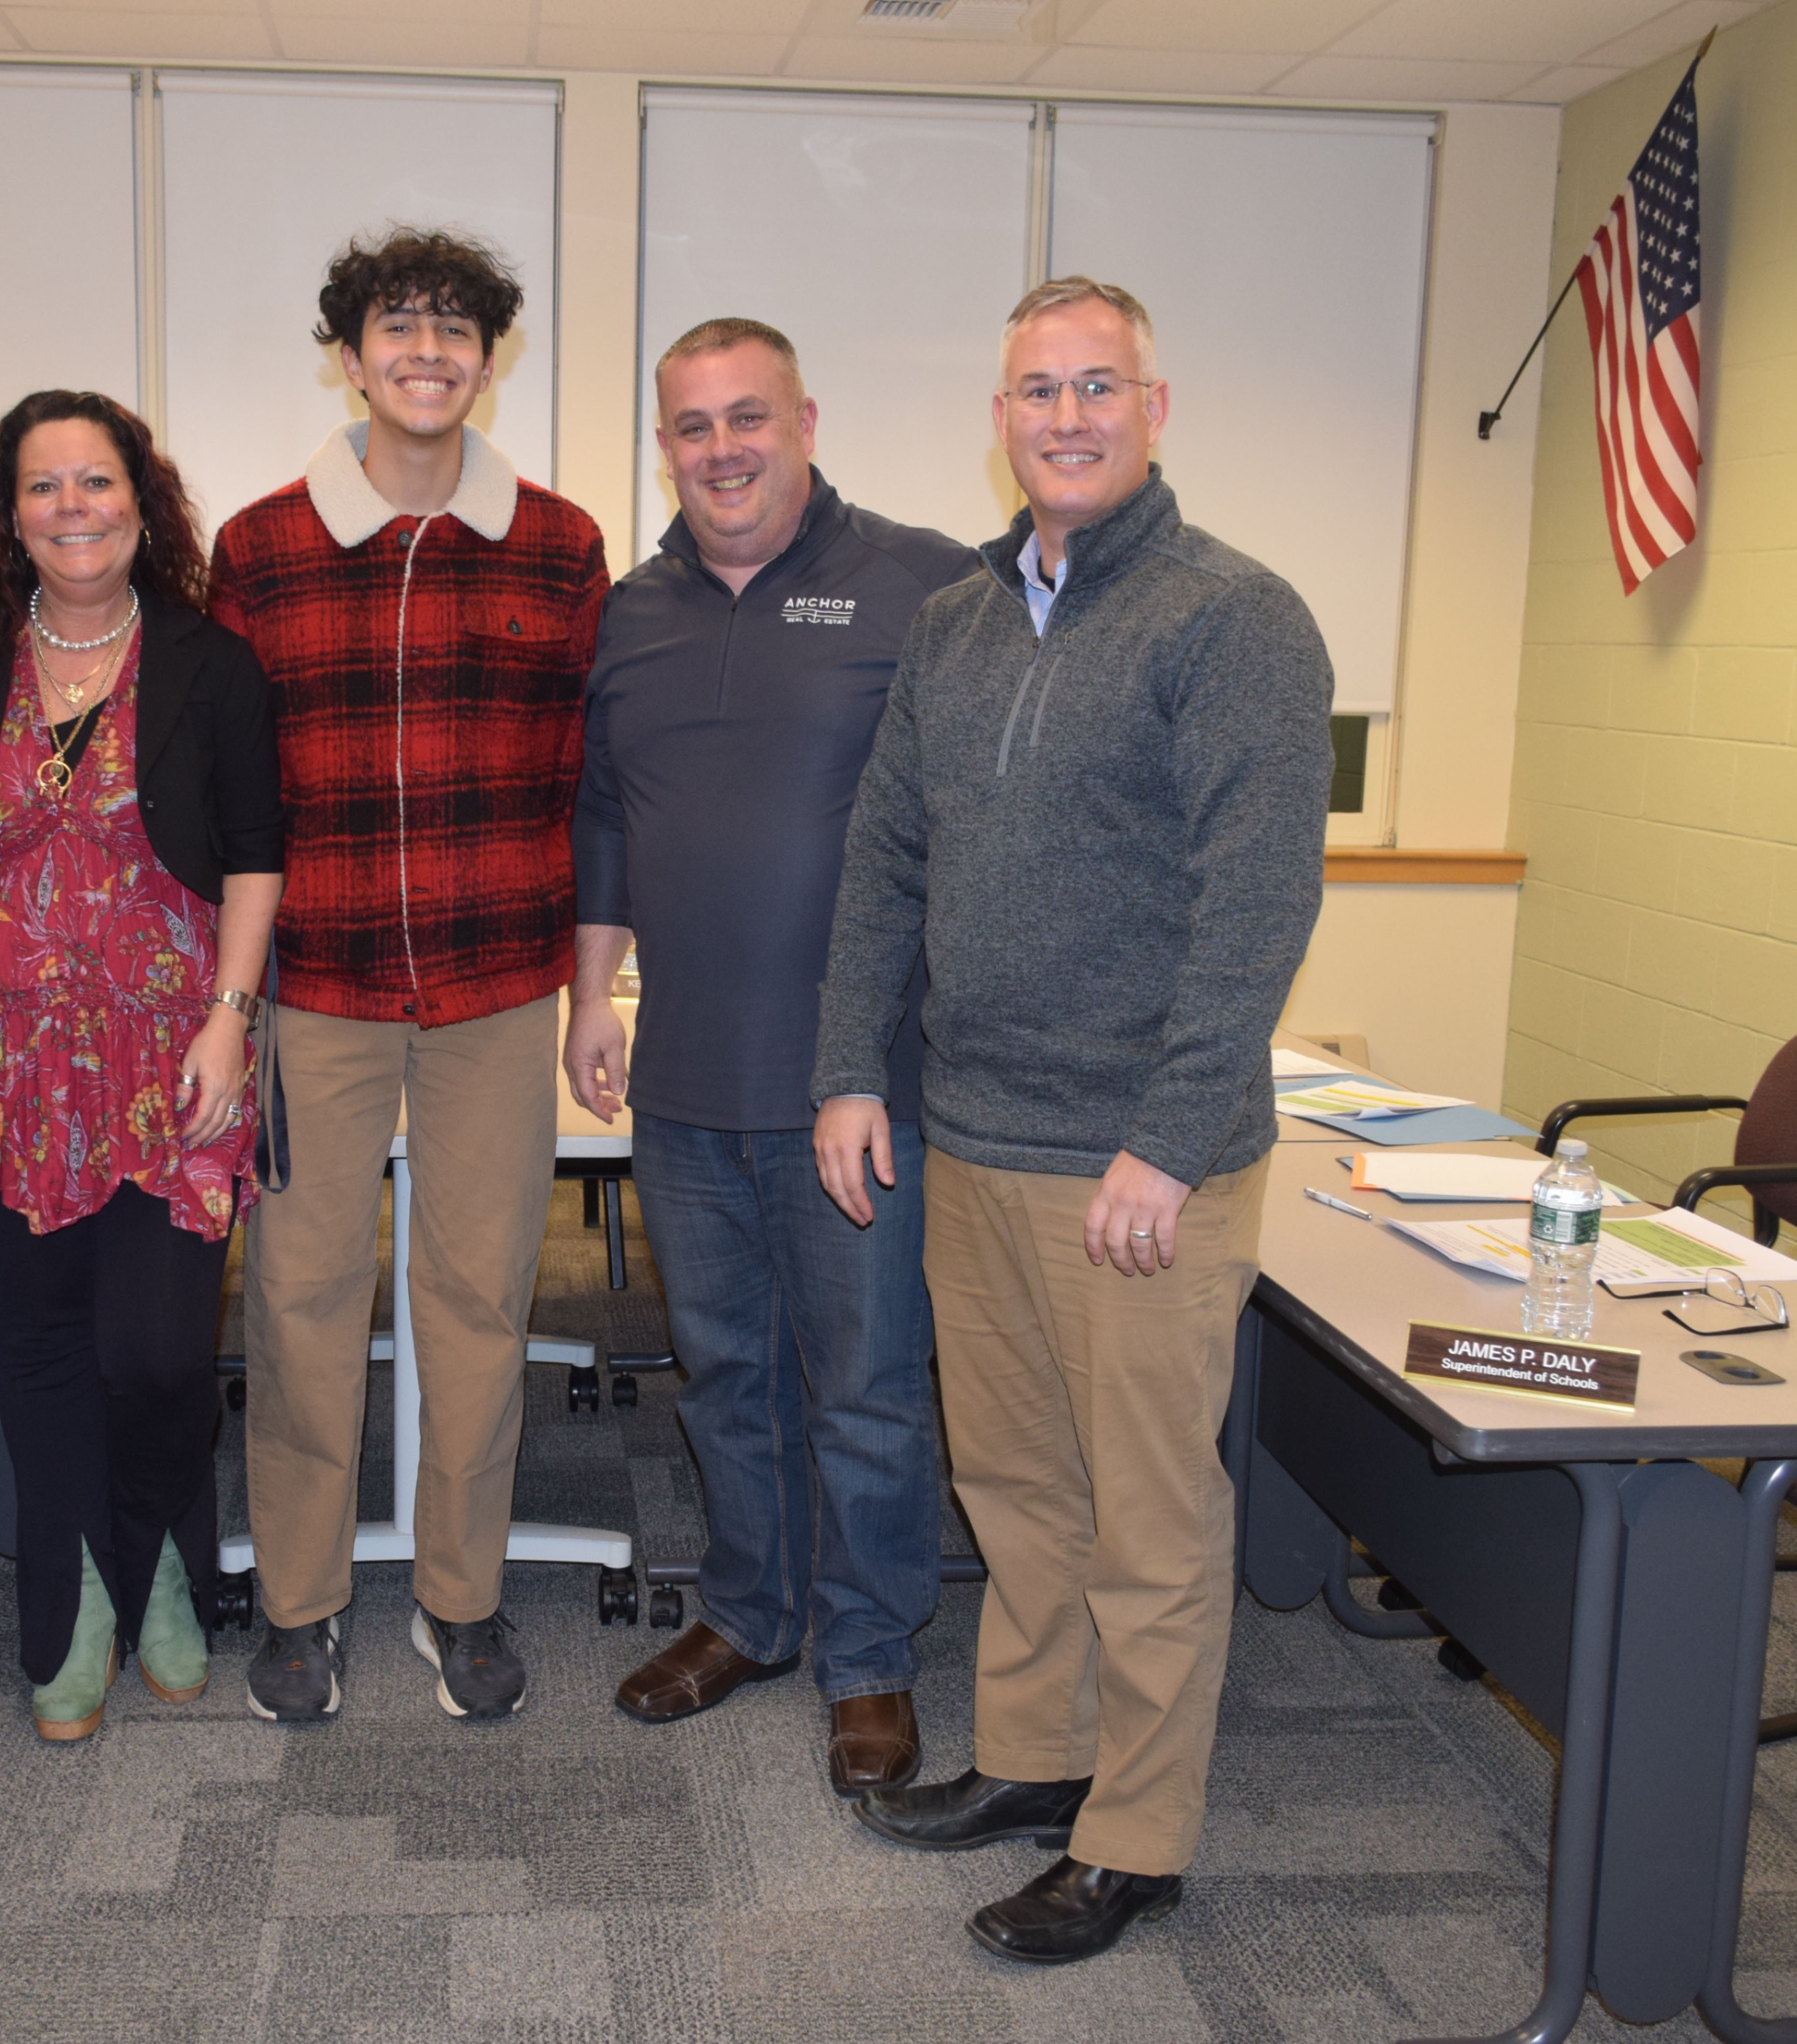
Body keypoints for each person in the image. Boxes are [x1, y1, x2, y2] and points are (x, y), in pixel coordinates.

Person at [811, 278, 1333, 1963]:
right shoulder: (958, 622)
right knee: (1018, 1486)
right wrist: (843, 1067)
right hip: (971, 1135)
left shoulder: (1231, 618)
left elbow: (1255, 901)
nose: (1065, 415)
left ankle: (1136, 1834)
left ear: (1153, 405)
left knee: (1147, 1516)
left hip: (1136, 1165)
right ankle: (1038, 1758)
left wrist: (1170, 1136)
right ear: (1002, 415)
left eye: (1096, 385)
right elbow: (886, 857)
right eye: (1036, 389)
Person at [564, 318, 972, 1795]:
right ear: (660, 442)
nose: (721, 448)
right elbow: (604, 811)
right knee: (724, 1371)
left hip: (856, 1086)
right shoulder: (630, 611)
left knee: (863, 1384)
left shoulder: (924, 580)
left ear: (803, 418)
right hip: (681, 1078)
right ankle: (750, 1611)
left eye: (748, 417)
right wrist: (590, 994)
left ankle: (868, 1651)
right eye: (689, 425)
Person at [213, 227, 608, 1724]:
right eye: (398, 324)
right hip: (314, 986)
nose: (427, 350)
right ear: (350, 350)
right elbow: (226, 791)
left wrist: (589, 996)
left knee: (475, 1301)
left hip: (497, 986)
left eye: (457, 327)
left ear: (489, 356)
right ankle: (301, 1606)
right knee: (299, 1297)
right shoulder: (258, 547)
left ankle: (462, 1595)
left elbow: (590, 785)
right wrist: (226, 1000)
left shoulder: (562, 547)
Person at [0, 390, 283, 1742]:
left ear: (141, 496)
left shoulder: (209, 663)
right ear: (6, 513)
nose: (72, 506)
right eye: (43, 485)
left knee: (160, 1347)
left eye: (96, 480)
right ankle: (67, 1610)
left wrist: (232, 1016)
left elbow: (254, 855)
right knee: (45, 1346)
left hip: (167, 1053)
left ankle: (163, 1557)